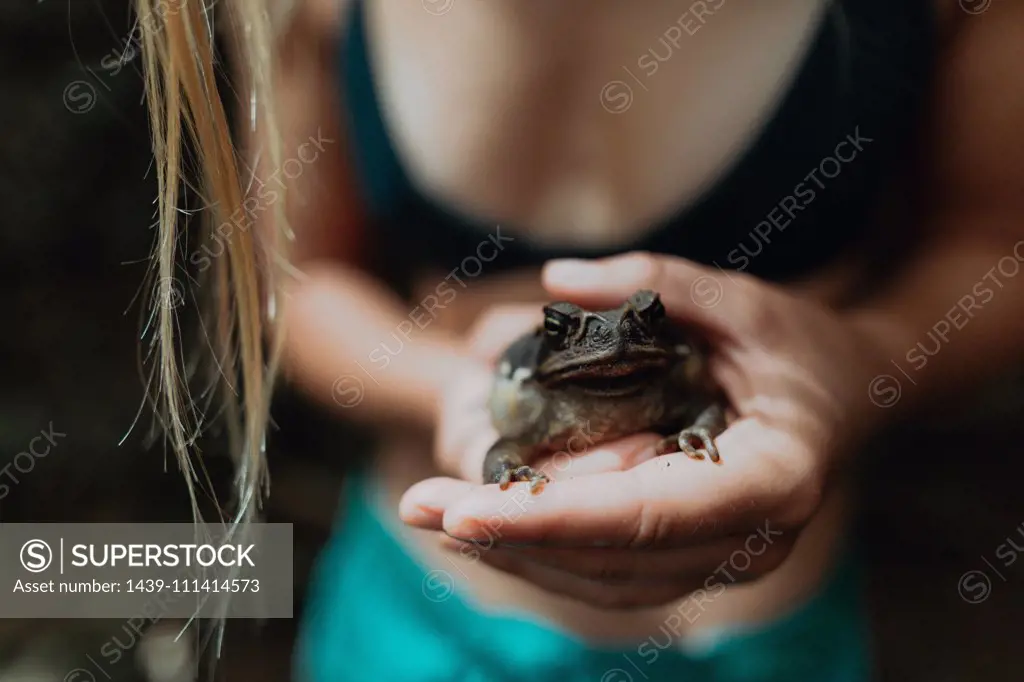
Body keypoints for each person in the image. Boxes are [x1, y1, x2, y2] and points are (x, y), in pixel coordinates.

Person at [137, 0, 1024, 680]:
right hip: (419, 612)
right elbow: (289, 282)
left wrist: (856, 365)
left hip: (760, 639)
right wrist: (452, 388)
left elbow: (999, 249)